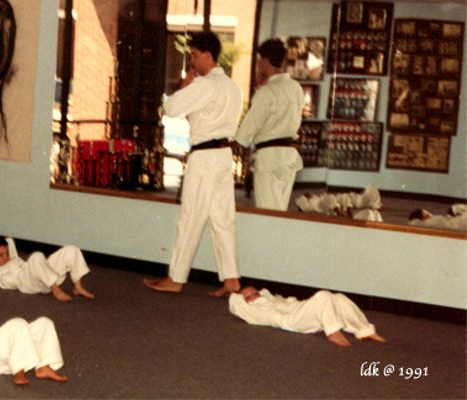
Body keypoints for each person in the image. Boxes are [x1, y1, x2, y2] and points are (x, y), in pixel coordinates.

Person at [143, 32, 243, 298]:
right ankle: (231, 280)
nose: (193, 61)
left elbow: (171, 108)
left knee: (190, 218)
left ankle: (175, 278)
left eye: (195, 56)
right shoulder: (233, 88)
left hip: (204, 158)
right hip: (223, 158)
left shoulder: (204, 85)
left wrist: (184, 86)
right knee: (222, 219)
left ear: (207, 55)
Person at [235, 38, 305, 211]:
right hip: (289, 156)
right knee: (280, 211)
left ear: (265, 61)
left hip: (269, 157)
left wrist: (237, 142)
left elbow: (251, 125)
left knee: (266, 213)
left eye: (260, 60)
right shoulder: (296, 87)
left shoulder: (267, 92)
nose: (259, 64)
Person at [229, 286, 386, 347]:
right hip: (290, 320)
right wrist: (234, 291)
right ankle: (332, 331)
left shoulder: (270, 297)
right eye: (248, 296)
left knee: (338, 297)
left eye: (254, 292)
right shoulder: (251, 310)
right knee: (323, 296)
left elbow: (269, 294)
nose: (253, 296)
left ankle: (365, 330)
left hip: (298, 309)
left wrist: (262, 294)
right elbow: (234, 303)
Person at [0, 237, 95, 302]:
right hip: (26, 282)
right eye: (1, 255)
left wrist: (6, 249)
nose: (6, 257)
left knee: (71, 249)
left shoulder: (13, 258)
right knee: (36, 257)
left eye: (7, 253)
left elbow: (9, 241)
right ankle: (56, 290)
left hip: (39, 273)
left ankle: (78, 287)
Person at [295, 184, 383, 220]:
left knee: (365, 196)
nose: (311, 194)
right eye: (309, 196)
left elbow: (331, 199)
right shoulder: (315, 204)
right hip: (342, 202)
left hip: (345, 200)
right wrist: (340, 212)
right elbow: (331, 200)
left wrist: (346, 210)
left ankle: (377, 205)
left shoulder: (319, 201)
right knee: (364, 200)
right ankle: (376, 205)